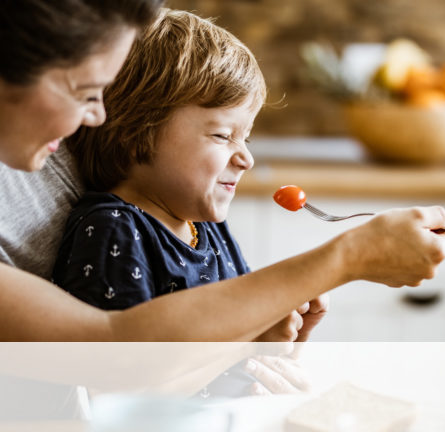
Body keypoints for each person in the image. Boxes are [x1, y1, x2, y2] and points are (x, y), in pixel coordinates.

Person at [0, 0, 445, 344]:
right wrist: (346, 257)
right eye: (84, 88)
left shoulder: (48, 137)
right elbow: (112, 346)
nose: (100, 115)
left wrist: (243, 335)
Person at [52, 9, 318, 342]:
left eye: (245, 137)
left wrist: (284, 334)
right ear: (136, 134)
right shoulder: (114, 231)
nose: (246, 159)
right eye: (222, 135)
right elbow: (127, 377)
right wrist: (247, 344)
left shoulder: (208, 228)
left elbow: (244, 339)